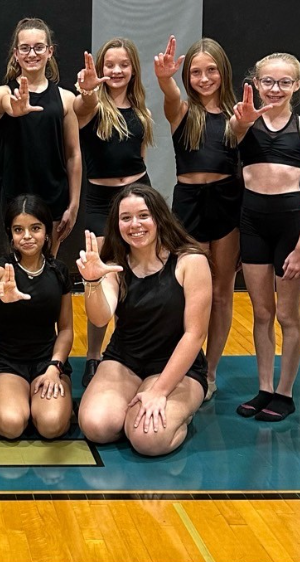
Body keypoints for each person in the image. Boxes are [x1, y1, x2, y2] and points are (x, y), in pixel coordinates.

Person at [77, 184, 210, 457]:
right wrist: (91, 281)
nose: (135, 224)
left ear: (159, 218)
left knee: (148, 439)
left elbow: (195, 335)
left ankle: (180, 413)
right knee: (96, 426)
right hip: (125, 360)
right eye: (126, 218)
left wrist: (160, 391)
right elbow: (100, 317)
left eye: (143, 216)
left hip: (177, 367)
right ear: (117, 225)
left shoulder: (190, 261)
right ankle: (133, 403)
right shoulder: (115, 264)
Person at [231, 53, 300, 420]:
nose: (275, 89)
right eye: (268, 81)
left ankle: (284, 391)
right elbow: (232, 149)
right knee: (261, 313)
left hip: (290, 223)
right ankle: (264, 388)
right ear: (256, 83)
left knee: (288, 314)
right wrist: (241, 125)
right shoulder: (243, 121)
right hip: (252, 222)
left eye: (285, 82)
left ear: (298, 85)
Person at [153, 35, 243, 400]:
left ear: (223, 72)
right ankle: (185, 363)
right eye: (195, 72)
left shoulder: (238, 112)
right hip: (189, 201)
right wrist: (164, 78)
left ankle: (210, 370)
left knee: (222, 292)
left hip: (227, 200)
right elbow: (171, 95)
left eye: (211, 71)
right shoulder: (182, 111)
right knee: (189, 290)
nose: (204, 78)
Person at [73, 38, 155, 387]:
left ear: (133, 68)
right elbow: (81, 105)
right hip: (100, 201)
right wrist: (89, 91)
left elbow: (140, 156)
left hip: (137, 194)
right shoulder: (92, 107)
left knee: (139, 276)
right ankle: (94, 355)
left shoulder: (141, 109)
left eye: (123, 64)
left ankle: (132, 350)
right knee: (102, 278)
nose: (116, 71)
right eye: (110, 65)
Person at [0, 17, 81, 253]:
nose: (32, 54)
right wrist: (14, 107)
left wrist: (74, 203)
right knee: (18, 267)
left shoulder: (65, 98)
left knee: (48, 267)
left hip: (54, 196)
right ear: (16, 54)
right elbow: (1, 102)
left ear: (49, 52)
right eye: (25, 48)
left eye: (39, 47)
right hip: (15, 195)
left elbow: (73, 154)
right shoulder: (1, 92)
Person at [0, 195, 73, 440]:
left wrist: (55, 367)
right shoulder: (1, 267)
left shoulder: (59, 271)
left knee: (51, 425)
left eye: (35, 228)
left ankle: (45, 407)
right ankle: (21, 402)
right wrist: (4, 285)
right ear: (10, 236)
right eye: (18, 230)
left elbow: (65, 330)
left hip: (48, 362)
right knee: (11, 425)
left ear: (46, 233)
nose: (26, 236)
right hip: (9, 364)